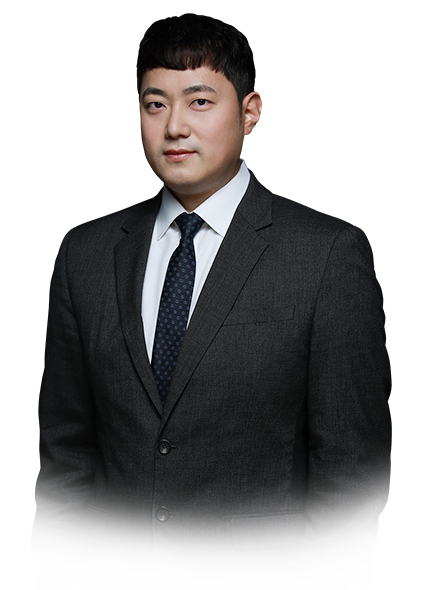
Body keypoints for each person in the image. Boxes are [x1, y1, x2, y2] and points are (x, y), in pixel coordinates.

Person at [34, 12, 391, 584]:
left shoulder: (326, 255)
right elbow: (66, 458)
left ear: (249, 112)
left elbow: (351, 475)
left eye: (199, 101)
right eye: (155, 104)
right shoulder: (87, 254)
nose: (174, 126)